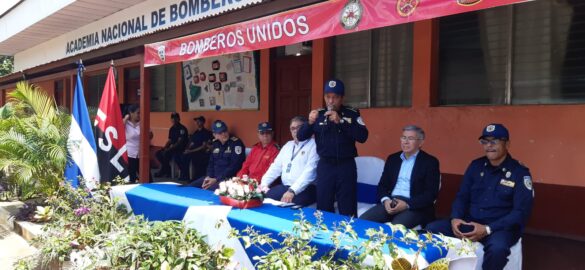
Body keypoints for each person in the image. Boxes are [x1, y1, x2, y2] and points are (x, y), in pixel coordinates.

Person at [425, 124, 534, 270]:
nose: (489, 146)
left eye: (494, 141)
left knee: (497, 250)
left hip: (499, 228)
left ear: (507, 144)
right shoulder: (476, 166)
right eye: (485, 141)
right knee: (431, 230)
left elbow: (520, 213)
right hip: (471, 222)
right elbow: (462, 197)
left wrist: (488, 229)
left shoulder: (520, 173)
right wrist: (455, 218)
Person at [297, 79, 369, 217]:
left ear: (342, 98)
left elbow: (363, 137)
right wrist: (309, 122)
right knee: (323, 207)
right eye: (327, 97)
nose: (331, 101)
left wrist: (340, 121)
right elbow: (300, 136)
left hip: (346, 166)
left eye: (335, 97)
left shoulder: (351, 114)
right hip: (325, 166)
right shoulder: (319, 114)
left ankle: (349, 236)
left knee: (347, 208)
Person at [359, 125, 440, 228]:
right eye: (403, 137)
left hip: (414, 206)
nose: (405, 142)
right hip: (391, 201)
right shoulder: (393, 159)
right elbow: (383, 185)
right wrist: (385, 200)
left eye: (410, 138)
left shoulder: (430, 162)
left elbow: (431, 194)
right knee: (362, 221)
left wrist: (407, 204)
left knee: (395, 229)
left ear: (421, 142)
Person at [260, 116, 319, 206]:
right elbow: (275, 167)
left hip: (306, 188)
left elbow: (310, 172)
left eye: (299, 127)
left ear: (306, 127)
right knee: (264, 197)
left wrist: (293, 191)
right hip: (286, 187)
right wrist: (264, 184)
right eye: (292, 128)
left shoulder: (314, 145)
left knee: (291, 205)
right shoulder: (288, 145)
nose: (295, 130)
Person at [186, 120, 245, 190]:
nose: (224, 134)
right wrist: (208, 177)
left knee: (207, 190)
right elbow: (211, 163)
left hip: (227, 180)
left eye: (225, 131)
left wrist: (216, 179)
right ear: (214, 135)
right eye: (220, 133)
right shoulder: (215, 144)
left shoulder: (236, 143)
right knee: (189, 187)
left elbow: (234, 166)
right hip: (213, 178)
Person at [177, 116, 213, 181]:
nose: (197, 123)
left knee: (196, 158)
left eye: (199, 121)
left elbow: (203, 146)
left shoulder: (206, 133)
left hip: (201, 152)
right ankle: (185, 175)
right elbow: (192, 143)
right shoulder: (196, 132)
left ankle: (196, 177)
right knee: (181, 156)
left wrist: (190, 151)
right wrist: (187, 149)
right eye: (196, 121)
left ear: (203, 122)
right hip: (193, 151)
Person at [154, 112, 188, 178]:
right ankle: (167, 170)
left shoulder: (182, 129)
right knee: (158, 153)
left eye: (175, 118)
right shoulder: (172, 129)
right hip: (172, 148)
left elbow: (179, 142)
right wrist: (164, 147)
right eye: (172, 118)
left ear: (179, 119)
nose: (174, 120)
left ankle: (164, 171)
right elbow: (170, 140)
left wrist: (169, 149)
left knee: (166, 153)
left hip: (180, 148)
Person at [123, 104, 141, 183]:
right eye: (138, 113)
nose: (139, 115)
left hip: (140, 154)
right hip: (130, 154)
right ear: (131, 113)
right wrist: (126, 118)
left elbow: (150, 135)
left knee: (147, 177)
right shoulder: (126, 123)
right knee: (132, 177)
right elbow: (118, 129)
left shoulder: (141, 123)